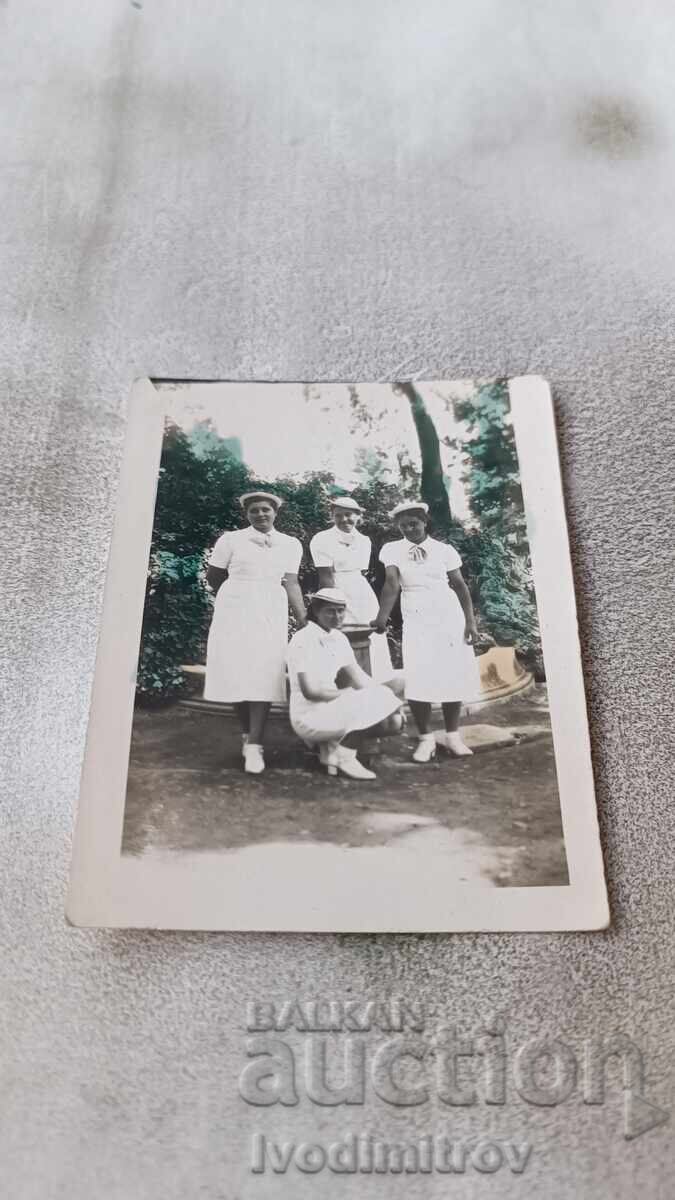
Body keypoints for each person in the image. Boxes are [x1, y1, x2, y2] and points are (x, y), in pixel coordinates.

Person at [205, 491, 306, 775]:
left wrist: (302, 618)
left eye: (266, 510)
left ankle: (255, 744)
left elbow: (292, 582)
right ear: (246, 514)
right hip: (234, 606)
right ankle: (249, 734)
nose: (261, 515)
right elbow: (214, 577)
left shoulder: (290, 544)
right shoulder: (230, 540)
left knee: (264, 670)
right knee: (237, 670)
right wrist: (238, 595)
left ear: (275, 512)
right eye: (254, 511)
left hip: (269, 609)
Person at [371, 502, 480, 763]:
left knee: (451, 672)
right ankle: (425, 739)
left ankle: (452, 736)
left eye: (414, 523)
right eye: (404, 525)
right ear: (398, 527)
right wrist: (381, 618)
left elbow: (460, 586)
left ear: (425, 522)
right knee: (420, 675)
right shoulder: (392, 550)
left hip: (447, 613)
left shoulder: (444, 550)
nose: (410, 529)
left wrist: (470, 622)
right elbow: (391, 584)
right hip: (417, 614)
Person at [287, 588, 404, 780]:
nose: (337, 616)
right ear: (316, 611)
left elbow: (360, 679)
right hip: (308, 715)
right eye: (330, 611)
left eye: (341, 611)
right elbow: (310, 692)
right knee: (381, 707)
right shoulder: (303, 639)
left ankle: (330, 751)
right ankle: (344, 756)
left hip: (333, 707)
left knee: (393, 720)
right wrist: (348, 694)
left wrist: (388, 698)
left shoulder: (339, 638)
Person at [309, 496, 393, 681]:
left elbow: (359, 570)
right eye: (338, 515)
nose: (344, 519)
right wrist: (330, 605)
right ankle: (342, 684)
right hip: (336, 589)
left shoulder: (364, 540)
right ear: (332, 516)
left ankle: (375, 683)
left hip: (361, 592)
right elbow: (326, 577)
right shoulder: (321, 539)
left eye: (348, 515)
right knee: (338, 634)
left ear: (358, 516)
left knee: (370, 636)